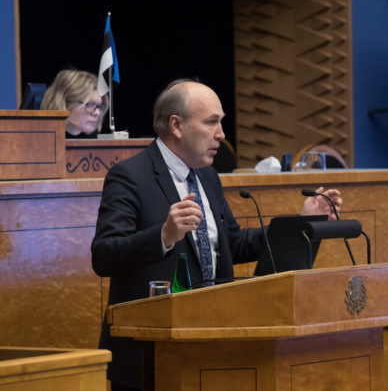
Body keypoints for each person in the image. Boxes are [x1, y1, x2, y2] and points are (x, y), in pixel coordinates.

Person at [91, 78, 343, 390]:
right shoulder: (130, 176)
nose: (221, 135)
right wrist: (164, 235)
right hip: (150, 353)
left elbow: (234, 245)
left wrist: (302, 223)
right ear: (176, 125)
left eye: (220, 123)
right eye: (211, 122)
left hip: (215, 343)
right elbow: (104, 255)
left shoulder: (208, 177)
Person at [41, 69, 108, 138]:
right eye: (90, 104)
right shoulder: (41, 139)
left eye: (99, 106)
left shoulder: (96, 142)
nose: (97, 113)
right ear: (65, 104)